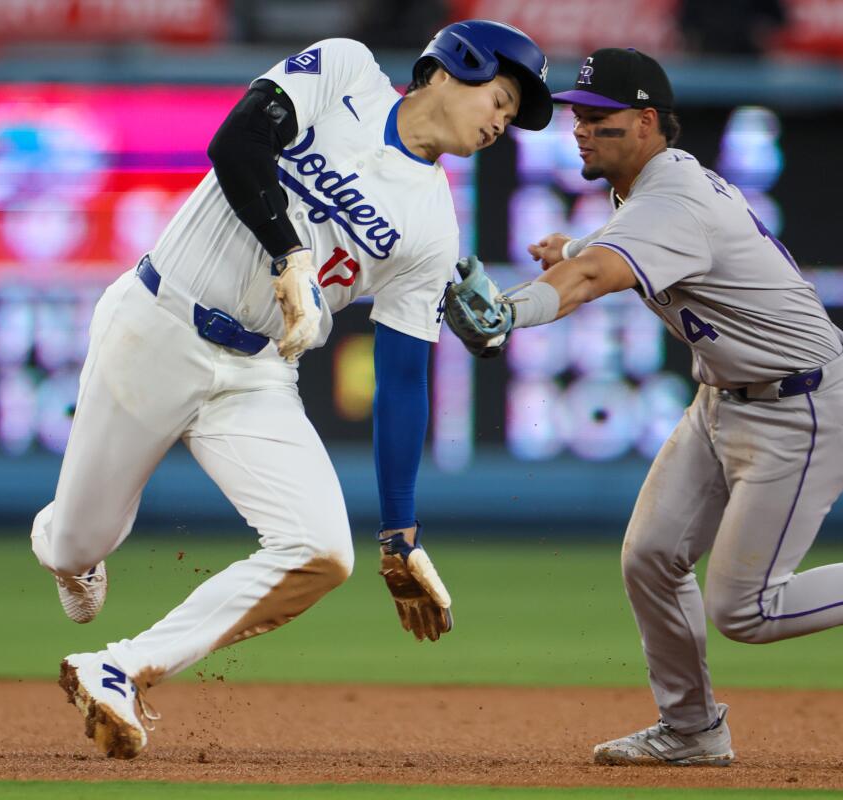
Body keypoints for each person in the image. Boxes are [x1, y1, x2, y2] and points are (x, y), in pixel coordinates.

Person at [442, 47, 843, 766]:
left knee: (747, 609)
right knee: (651, 557)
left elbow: (593, 274)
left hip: (803, 410)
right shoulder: (649, 192)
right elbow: (610, 250)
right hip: (723, 402)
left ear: (647, 122)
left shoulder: (672, 201)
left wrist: (505, 311)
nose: (580, 130)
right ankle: (691, 731)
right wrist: (574, 244)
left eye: (598, 118)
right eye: (575, 117)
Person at [30, 20, 553, 759]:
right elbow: (237, 144)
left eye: (512, 115)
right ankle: (65, 541)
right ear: (450, 67)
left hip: (256, 374)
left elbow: (405, 378)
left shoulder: (434, 225)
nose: (504, 121)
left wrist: (400, 535)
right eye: (501, 98)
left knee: (321, 551)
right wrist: (292, 254)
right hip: (159, 320)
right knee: (81, 541)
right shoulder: (347, 72)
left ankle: (122, 667)